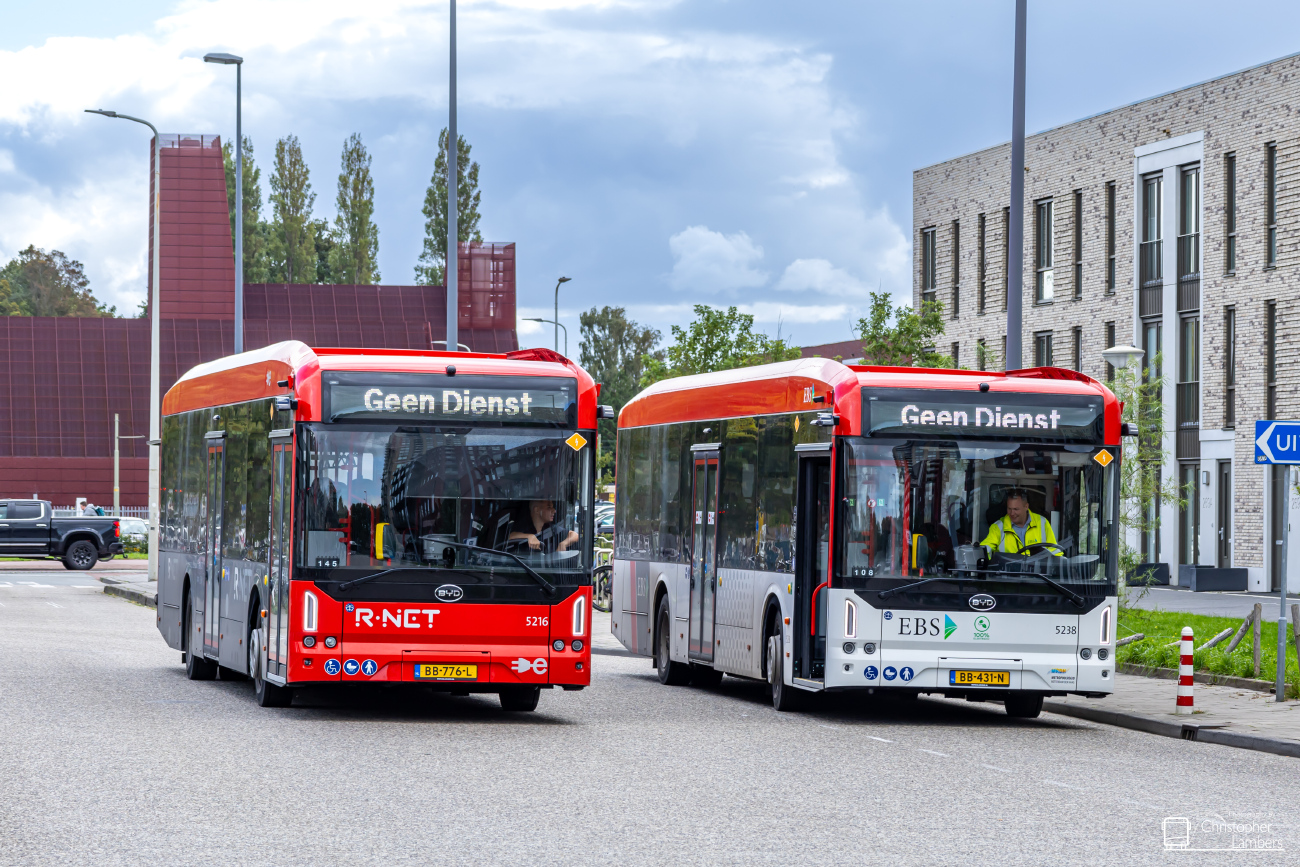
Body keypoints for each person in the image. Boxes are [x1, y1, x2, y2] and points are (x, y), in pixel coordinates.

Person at [979, 491, 1060, 556]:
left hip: (1038, 574)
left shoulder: (1042, 522)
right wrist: (980, 555)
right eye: (1009, 508)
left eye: (1016, 509)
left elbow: (1055, 551)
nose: (1012, 513)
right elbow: (986, 549)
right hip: (1007, 574)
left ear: (1026, 507)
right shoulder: (998, 527)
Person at [509, 499, 579, 553]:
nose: (554, 511)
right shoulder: (524, 528)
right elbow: (511, 537)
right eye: (549, 507)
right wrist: (529, 536)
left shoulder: (550, 529)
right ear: (536, 510)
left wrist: (563, 544)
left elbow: (574, 535)